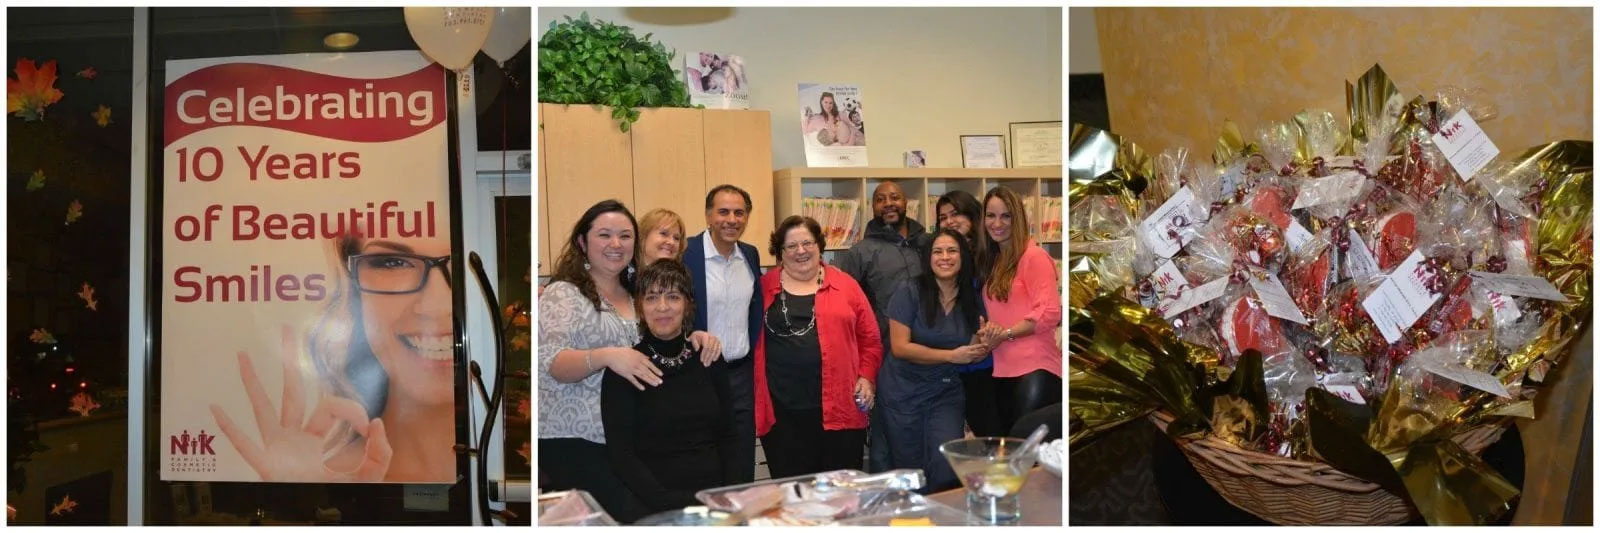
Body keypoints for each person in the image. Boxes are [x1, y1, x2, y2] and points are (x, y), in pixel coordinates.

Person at [210, 226, 457, 482]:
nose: (435, 307)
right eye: (392, 263)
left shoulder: (498, 459)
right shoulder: (327, 477)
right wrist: (303, 501)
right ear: (353, 293)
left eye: (460, 264)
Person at [537, 200, 720, 523]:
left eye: (625, 236)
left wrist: (696, 338)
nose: (615, 244)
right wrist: (607, 356)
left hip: (627, 440)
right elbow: (552, 363)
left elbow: (660, 340)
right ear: (582, 242)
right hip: (577, 440)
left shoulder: (637, 291)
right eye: (604, 235)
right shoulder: (563, 293)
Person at [602, 260, 738, 514]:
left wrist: (727, 495)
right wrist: (670, 504)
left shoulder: (708, 356)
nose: (662, 307)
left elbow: (729, 435)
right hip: (654, 505)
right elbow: (622, 455)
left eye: (673, 297)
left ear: (687, 304)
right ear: (640, 306)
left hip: (714, 501)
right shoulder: (625, 368)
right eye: (652, 297)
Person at [756, 216, 882, 478]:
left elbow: (870, 339)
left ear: (819, 245)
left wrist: (866, 377)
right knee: (794, 495)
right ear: (780, 252)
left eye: (807, 243)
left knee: (841, 495)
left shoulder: (846, 285)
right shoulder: (763, 287)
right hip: (782, 416)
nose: (800, 251)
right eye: (791, 246)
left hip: (840, 411)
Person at [882, 229, 989, 492]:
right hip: (902, 392)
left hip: (945, 391)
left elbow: (975, 350)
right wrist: (952, 356)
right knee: (911, 472)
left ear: (963, 256)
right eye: (937, 251)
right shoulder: (909, 290)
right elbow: (900, 347)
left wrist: (988, 342)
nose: (945, 257)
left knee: (945, 465)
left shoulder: (971, 298)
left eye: (952, 251)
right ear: (928, 258)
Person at [835, 181, 928, 472]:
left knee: (926, 432)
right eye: (880, 199)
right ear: (872, 207)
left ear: (906, 203)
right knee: (886, 436)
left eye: (895, 197)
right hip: (885, 358)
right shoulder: (860, 253)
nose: (888, 203)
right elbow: (846, 308)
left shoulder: (929, 245)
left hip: (931, 355)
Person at [682, 185, 763, 483]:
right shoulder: (686, 254)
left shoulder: (750, 256)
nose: (732, 219)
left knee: (740, 461)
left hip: (741, 375)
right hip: (698, 373)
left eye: (739, 212)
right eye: (723, 211)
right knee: (703, 460)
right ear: (708, 215)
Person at [975, 186, 1063, 433]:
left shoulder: (1034, 257)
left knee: (1027, 459)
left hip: (1035, 370)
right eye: (991, 216)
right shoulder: (995, 261)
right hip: (1002, 369)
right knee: (1012, 457)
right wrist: (991, 334)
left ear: (1018, 219)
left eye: (1006, 216)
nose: (997, 223)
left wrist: (1005, 334)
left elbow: (1049, 313)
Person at [935, 190, 1004, 438]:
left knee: (992, 435)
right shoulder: (944, 259)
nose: (949, 221)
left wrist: (977, 343)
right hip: (952, 361)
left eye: (956, 214)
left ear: (974, 217)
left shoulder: (990, 256)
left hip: (985, 360)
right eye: (943, 217)